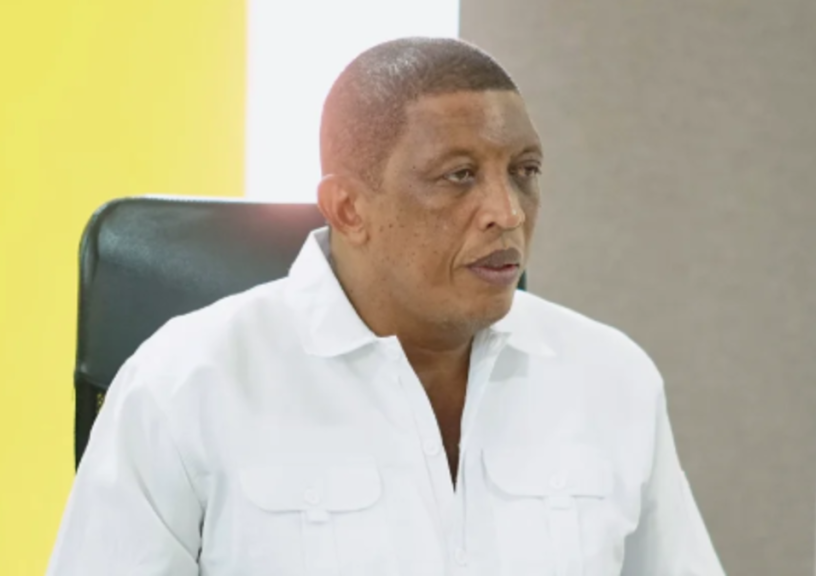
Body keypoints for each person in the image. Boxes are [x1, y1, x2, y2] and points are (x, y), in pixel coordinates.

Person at [47, 37, 726, 576]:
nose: (508, 211)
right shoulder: (186, 382)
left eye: (524, 171)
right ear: (348, 208)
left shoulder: (612, 377)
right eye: (459, 176)